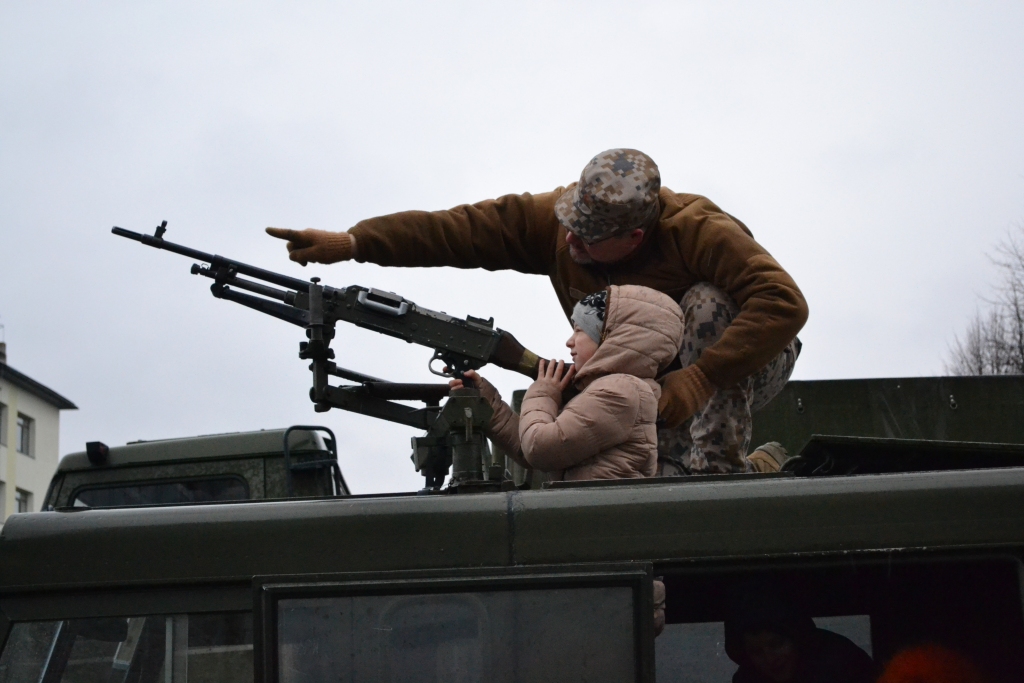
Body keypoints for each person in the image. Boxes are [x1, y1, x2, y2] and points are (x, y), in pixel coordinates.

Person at [266, 148, 808, 475]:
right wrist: (358, 241)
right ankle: (672, 469)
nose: (569, 240)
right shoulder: (558, 225)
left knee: (708, 305)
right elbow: (461, 231)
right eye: (569, 222)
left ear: (635, 236)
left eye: (589, 237)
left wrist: (703, 376)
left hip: (743, 361)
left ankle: (723, 475)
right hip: (649, 374)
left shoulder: (698, 230)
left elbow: (783, 302)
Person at [451, 285, 684, 481]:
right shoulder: (614, 390)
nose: (569, 342)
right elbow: (530, 447)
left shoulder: (620, 393)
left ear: (612, 338)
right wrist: (486, 399)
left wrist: (543, 393)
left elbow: (540, 448)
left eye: (580, 331)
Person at [723, 589, 876, 683]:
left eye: (776, 645)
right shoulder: (749, 678)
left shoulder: (842, 666)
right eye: (757, 652)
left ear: (797, 639)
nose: (770, 659)